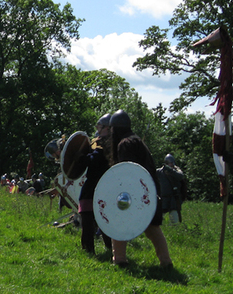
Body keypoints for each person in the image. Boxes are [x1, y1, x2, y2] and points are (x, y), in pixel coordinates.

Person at [106, 110, 172, 269]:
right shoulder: (136, 141)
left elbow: (127, 173)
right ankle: (166, 262)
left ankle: (120, 260)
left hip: (136, 191)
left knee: (118, 223)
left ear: (115, 129)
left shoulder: (125, 144)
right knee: (151, 228)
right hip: (147, 189)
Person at [77, 114, 113, 254]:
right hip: (99, 184)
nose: (98, 130)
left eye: (100, 127)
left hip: (100, 184)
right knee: (98, 217)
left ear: (108, 128)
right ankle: (92, 249)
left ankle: (103, 248)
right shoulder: (98, 142)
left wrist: (81, 157)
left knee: (97, 217)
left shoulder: (108, 144)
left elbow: (94, 159)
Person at [157, 154, 187, 225]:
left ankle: (174, 231)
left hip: (174, 198)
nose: (171, 164)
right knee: (158, 217)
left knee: (174, 219)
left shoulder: (176, 170)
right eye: (169, 163)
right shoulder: (160, 172)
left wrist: (171, 171)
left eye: (171, 162)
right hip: (163, 198)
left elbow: (180, 176)